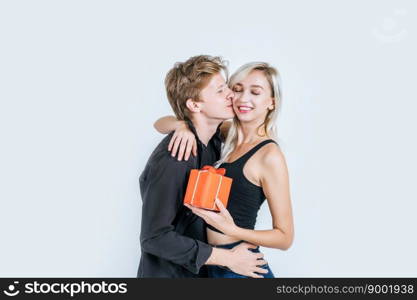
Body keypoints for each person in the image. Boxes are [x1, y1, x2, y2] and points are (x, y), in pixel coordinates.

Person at [154, 62, 294, 278]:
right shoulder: (227, 135)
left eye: (255, 92)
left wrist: (232, 230)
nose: (243, 98)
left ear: (272, 102)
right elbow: (159, 124)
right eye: (237, 89)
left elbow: (285, 238)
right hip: (212, 262)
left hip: (240, 264)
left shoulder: (269, 155)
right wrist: (182, 126)